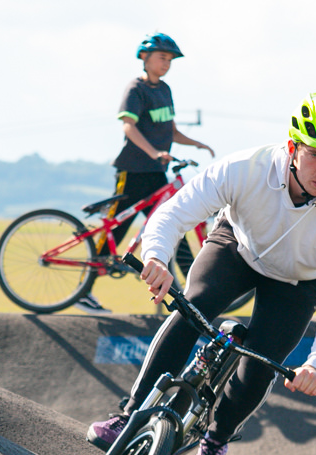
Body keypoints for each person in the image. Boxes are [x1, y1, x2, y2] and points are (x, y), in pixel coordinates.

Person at [87, 93, 316, 455]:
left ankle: (215, 443)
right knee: (192, 307)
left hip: (298, 281)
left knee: (265, 359)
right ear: (292, 148)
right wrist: (155, 257)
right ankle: (132, 414)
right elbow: (173, 213)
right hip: (236, 247)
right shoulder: (246, 168)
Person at [75, 32, 215, 314]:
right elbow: (128, 126)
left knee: (172, 227)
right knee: (115, 228)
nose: (166, 64)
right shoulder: (135, 89)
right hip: (133, 172)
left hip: (156, 174)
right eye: (162, 58)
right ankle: (83, 292)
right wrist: (154, 152)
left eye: (170, 60)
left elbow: (172, 131)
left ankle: (197, 293)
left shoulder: (165, 90)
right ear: (144, 58)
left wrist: (198, 143)